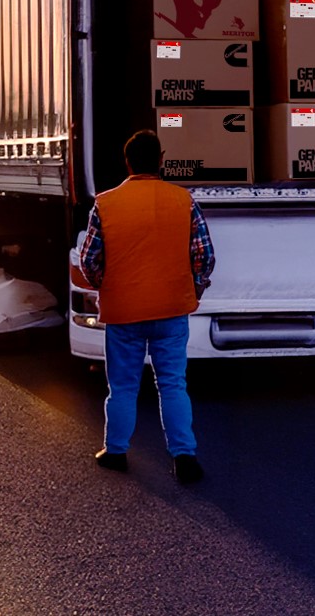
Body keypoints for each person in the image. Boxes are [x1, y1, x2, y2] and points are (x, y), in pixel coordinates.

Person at [71, 130, 216, 483]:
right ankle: (184, 456)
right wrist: (194, 288)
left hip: (124, 314)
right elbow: (205, 257)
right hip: (171, 309)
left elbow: (90, 260)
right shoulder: (183, 200)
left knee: (122, 386)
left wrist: (109, 285)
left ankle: (116, 451)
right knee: (173, 384)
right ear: (162, 160)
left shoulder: (106, 203)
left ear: (127, 162)